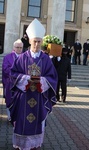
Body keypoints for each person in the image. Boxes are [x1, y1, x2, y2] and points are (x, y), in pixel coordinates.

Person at [9, 18, 58, 150]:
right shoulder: (22, 58)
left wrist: (42, 81)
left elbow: (53, 77)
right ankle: (21, 145)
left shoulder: (46, 59)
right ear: (30, 41)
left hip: (39, 97)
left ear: (42, 42)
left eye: (39, 41)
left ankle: (34, 145)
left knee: (36, 122)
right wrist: (25, 79)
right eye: (34, 41)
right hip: (23, 97)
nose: (36, 44)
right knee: (22, 121)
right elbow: (12, 74)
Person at [2, 39, 23, 121]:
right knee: (10, 100)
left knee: (20, 101)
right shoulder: (8, 57)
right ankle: (10, 116)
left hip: (21, 83)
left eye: (21, 47)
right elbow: (5, 69)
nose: (19, 49)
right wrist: (17, 73)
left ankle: (19, 116)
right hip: (10, 82)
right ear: (14, 48)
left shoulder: (25, 57)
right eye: (17, 47)